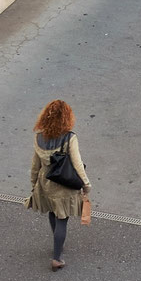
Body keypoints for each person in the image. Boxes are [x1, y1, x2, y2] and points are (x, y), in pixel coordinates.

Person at [24, 99, 91, 271]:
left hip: (45, 183)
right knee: (63, 218)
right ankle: (57, 257)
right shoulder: (70, 138)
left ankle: (57, 244)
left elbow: (35, 165)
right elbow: (77, 163)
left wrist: (33, 184)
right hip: (63, 185)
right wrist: (86, 184)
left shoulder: (39, 138)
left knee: (53, 213)